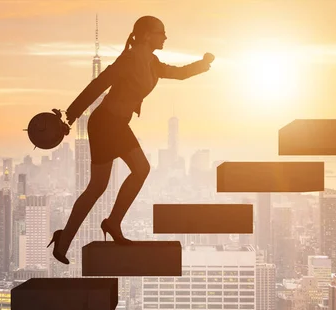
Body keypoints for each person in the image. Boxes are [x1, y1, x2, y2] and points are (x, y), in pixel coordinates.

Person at [47, 15, 215, 264]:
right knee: (129, 174)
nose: (165, 37)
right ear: (147, 35)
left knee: (100, 185)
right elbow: (97, 86)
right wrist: (69, 116)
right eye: (161, 33)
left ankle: (70, 237)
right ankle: (107, 225)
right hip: (106, 123)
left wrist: (202, 64)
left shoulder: (152, 62)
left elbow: (178, 74)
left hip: (115, 124)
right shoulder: (128, 59)